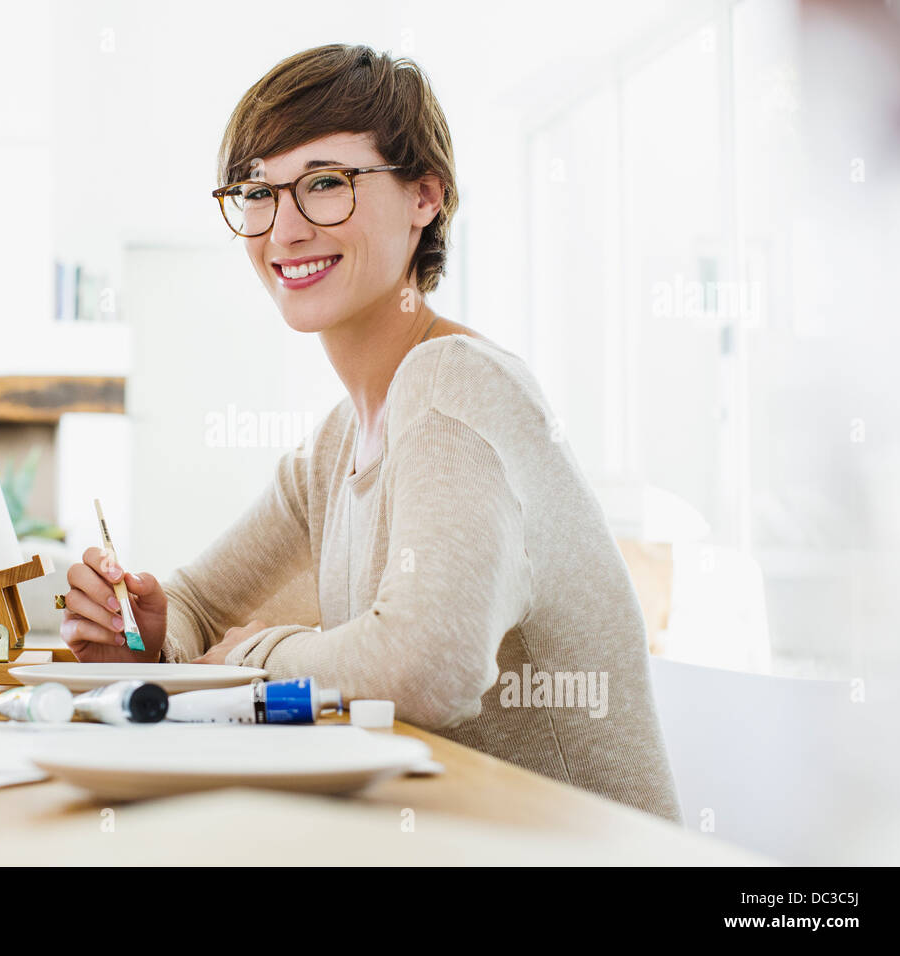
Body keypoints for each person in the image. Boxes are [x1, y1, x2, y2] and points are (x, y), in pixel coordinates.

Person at [60, 44, 680, 821]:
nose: (282, 230)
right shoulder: (333, 449)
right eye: (257, 191)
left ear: (427, 196)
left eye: (326, 184)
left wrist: (253, 652)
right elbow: (194, 607)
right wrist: (148, 636)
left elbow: (429, 666)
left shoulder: (455, 383)